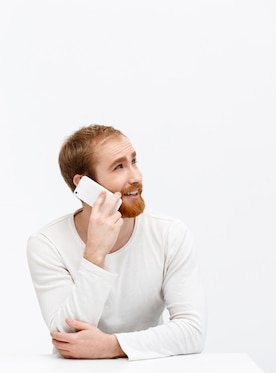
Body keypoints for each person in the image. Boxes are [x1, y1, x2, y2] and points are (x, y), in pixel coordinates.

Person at [26, 124, 206, 360]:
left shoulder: (170, 233)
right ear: (83, 184)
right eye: (119, 167)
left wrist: (112, 346)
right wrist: (94, 255)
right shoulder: (47, 244)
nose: (136, 177)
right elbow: (68, 338)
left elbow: (193, 332)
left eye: (134, 161)